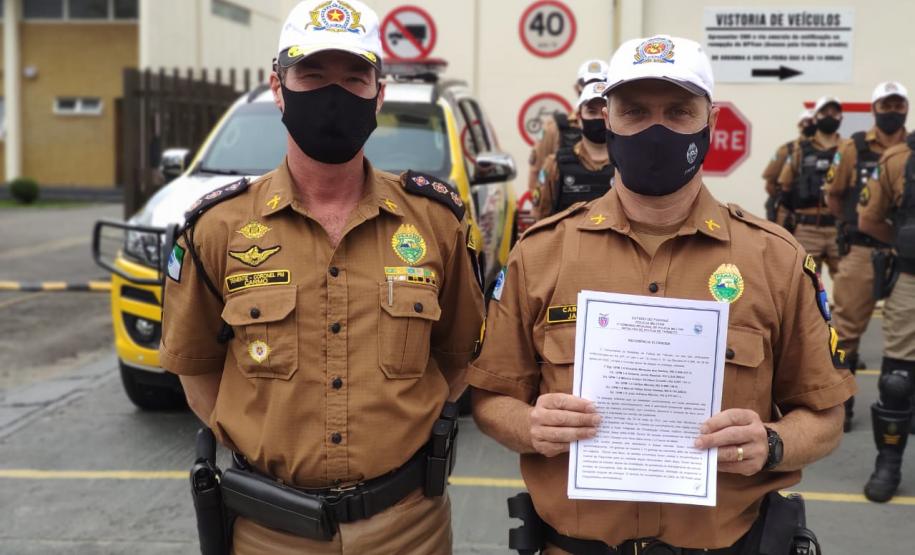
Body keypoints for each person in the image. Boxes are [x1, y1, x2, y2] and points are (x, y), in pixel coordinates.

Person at [469, 35, 855, 553]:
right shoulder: (540, 254)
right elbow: (491, 397)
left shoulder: (775, 260)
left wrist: (771, 443)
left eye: (678, 112)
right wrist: (530, 425)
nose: (656, 130)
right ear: (607, 119)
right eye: (635, 111)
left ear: (710, 121)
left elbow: (825, 415)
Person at [159, 1, 485, 552]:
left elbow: (459, 358)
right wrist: (266, 441)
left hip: (409, 527)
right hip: (270, 530)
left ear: (379, 94)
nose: (334, 95)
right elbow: (196, 371)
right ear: (278, 87)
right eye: (312, 75)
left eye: (354, 78)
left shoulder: (437, 222)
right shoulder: (217, 228)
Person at [824, 82, 908, 432]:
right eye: (885, 105)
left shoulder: (910, 149)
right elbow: (833, 195)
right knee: (846, 330)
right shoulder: (852, 147)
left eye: (898, 105)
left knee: (906, 333)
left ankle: (902, 403)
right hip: (862, 250)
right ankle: (842, 403)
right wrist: (854, 225)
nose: (892, 111)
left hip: (905, 256)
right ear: (875, 109)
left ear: (906, 108)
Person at [859, 130, 915, 503]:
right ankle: (889, 462)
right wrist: (905, 243)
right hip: (911, 278)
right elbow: (869, 219)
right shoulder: (898, 160)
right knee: (897, 381)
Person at [777, 97, 844, 276]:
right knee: (805, 284)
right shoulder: (800, 150)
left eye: (834, 112)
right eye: (824, 112)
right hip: (807, 229)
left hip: (839, 229)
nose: (829, 116)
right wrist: (781, 230)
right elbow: (785, 190)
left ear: (841, 117)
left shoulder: (848, 149)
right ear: (816, 117)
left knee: (849, 287)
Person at [526, 59, 609, 195]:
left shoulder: (621, 125)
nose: (593, 88)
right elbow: (536, 174)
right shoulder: (555, 127)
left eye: (600, 83)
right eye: (587, 84)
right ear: (577, 88)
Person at [534, 81, 614, 220]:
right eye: (591, 112)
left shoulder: (629, 164)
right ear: (578, 118)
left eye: (604, 111)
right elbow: (540, 216)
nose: (599, 118)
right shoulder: (554, 165)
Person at [761, 109, 815, 223]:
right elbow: (770, 184)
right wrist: (785, 200)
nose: (811, 125)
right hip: (789, 212)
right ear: (800, 125)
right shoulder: (787, 150)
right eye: (807, 121)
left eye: (814, 121)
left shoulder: (832, 151)